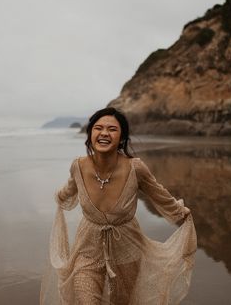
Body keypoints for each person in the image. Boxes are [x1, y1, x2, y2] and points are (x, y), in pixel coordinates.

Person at [41, 107, 196, 304]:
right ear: (90, 134)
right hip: (87, 248)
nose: (104, 133)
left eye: (112, 129)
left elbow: (160, 195)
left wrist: (181, 213)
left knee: (122, 302)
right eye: (98, 128)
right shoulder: (78, 166)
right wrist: (59, 197)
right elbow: (69, 190)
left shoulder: (135, 168)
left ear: (121, 138)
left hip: (127, 248)